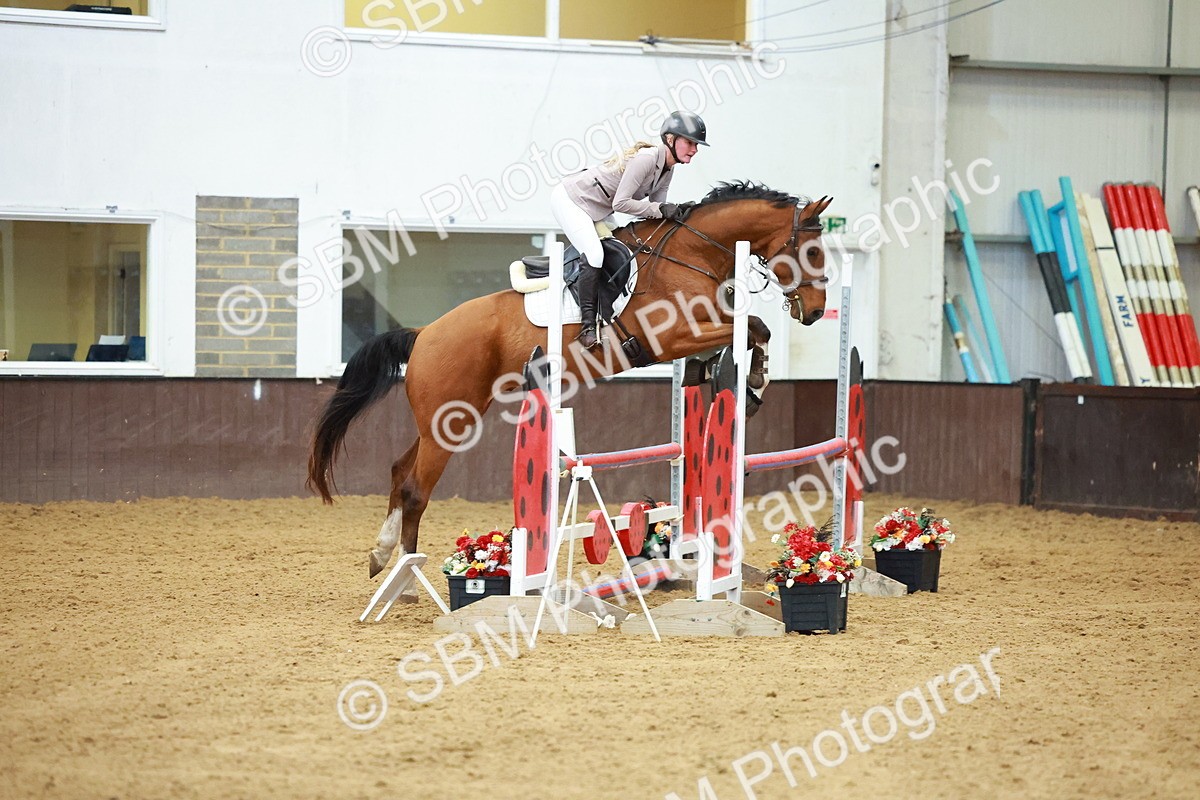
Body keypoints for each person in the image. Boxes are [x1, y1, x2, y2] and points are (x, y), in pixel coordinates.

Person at [550, 110, 708, 349]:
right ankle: (586, 328)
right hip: (572, 200)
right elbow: (621, 204)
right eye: (690, 143)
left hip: (598, 208)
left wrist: (680, 214)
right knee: (595, 255)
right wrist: (662, 209)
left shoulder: (668, 168)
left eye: (696, 145)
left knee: (622, 249)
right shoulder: (646, 159)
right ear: (670, 139)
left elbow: (654, 210)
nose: (694, 149)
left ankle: (610, 316)